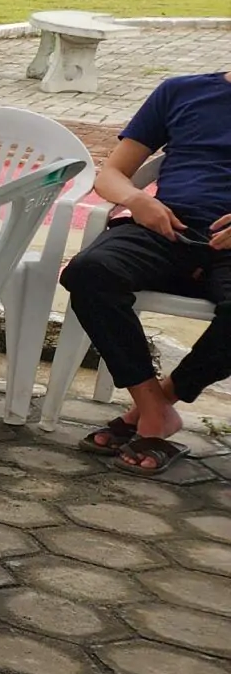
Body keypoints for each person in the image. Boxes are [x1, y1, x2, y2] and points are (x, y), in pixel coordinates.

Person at [59, 71, 231, 475]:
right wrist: (138, 200)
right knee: (89, 273)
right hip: (166, 227)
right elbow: (110, 173)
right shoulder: (182, 91)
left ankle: (156, 405)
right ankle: (154, 410)